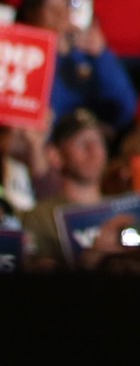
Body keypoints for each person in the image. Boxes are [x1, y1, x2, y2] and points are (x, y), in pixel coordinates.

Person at [28, 0, 135, 131]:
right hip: (47, 137)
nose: (60, 13)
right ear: (32, 15)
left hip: (88, 134)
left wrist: (102, 56)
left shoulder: (89, 56)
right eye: (50, 7)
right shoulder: (26, 59)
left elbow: (125, 108)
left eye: (64, 5)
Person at [25, 107, 110, 267]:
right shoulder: (41, 218)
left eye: (99, 141)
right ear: (56, 156)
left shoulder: (123, 208)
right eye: (81, 143)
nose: (94, 150)